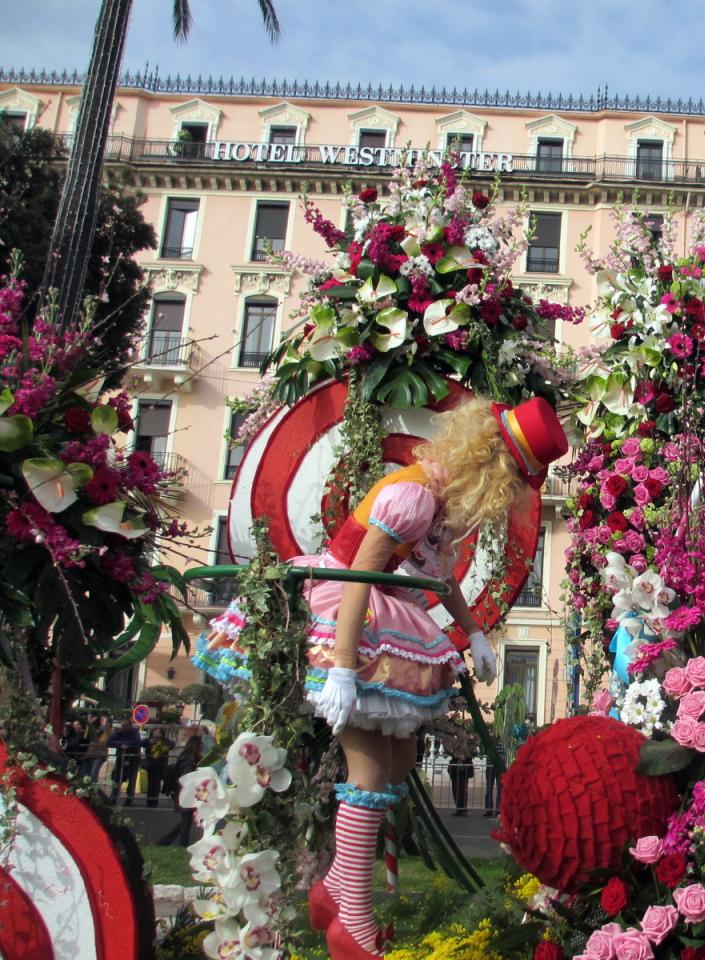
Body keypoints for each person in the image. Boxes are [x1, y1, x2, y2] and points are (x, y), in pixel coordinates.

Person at [194, 395, 567, 959]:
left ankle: (335, 892)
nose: (511, 498)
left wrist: (477, 632)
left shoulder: (437, 503)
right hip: (349, 616)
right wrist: (343, 669)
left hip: (379, 615)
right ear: (496, 472)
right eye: (515, 482)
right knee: (368, 768)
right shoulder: (414, 496)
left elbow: (439, 578)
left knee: (396, 761)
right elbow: (360, 573)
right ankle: (353, 918)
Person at [159, 733, 203, 846]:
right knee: (186, 820)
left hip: (185, 791)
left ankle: (165, 841)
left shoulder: (189, 756)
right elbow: (187, 775)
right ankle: (181, 844)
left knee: (186, 820)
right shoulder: (188, 757)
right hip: (185, 792)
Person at [107, 718, 143, 804]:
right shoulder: (119, 732)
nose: (123, 727)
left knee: (131, 779)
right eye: (122, 726)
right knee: (117, 778)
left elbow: (137, 742)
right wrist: (120, 744)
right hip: (121, 758)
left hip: (133, 759)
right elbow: (110, 742)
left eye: (125, 726)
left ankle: (129, 799)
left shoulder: (134, 732)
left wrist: (127, 744)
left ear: (130, 725)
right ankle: (114, 797)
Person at [145, 730, 173, 808]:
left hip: (160, 765)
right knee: (150, 783)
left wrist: (161, 744)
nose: (155, 734)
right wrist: (149, 741)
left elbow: (171, 744)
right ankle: (149, 801)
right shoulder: (150, 740)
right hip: (151, 764)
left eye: (157, 732)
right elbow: (142, 743)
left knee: (156, 784)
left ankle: (154, 801)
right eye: (154, 732)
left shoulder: (165, 741)